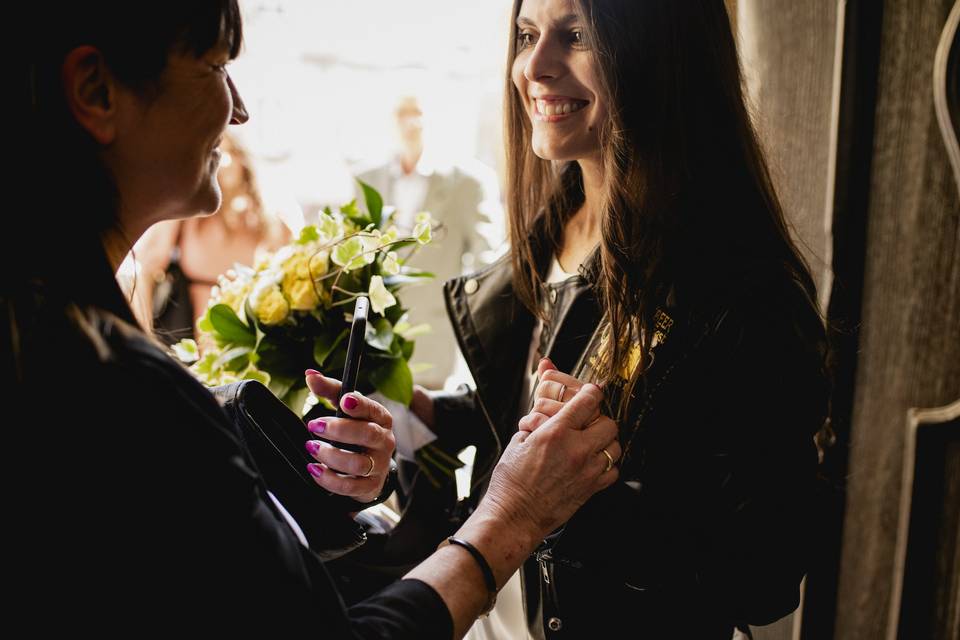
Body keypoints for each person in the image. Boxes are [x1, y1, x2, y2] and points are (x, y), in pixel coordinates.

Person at [8, 2, 620, 634]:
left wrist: (310, 487)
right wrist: (512, 516)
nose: (238, 109)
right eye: (217, 67)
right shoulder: (105, 384)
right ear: (96, 91)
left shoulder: (52, 334)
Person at [402, 0, 832, 637]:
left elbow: (764, 579)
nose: (534, 66)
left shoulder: (738, 292)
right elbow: (522, 403)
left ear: (660, 53)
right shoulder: (554, 232)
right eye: (526, 35)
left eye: (576, 35)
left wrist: (600, 483)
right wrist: (432, 414)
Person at [356, 95, 504, 389]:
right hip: (374, 342)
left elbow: (486, 261)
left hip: (437, 338)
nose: (411, 123)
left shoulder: (469, 181)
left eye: (418, 113)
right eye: (403, 113)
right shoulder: (366, 179)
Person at [133, 133, 291, 345]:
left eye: (225, 152)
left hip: (250, 350)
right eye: (211, 153)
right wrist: (144, 334)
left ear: (242, 160)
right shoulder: (184, 215)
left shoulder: (269, 221)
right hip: (189, 348)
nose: (220, 162)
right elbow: (145, 271)